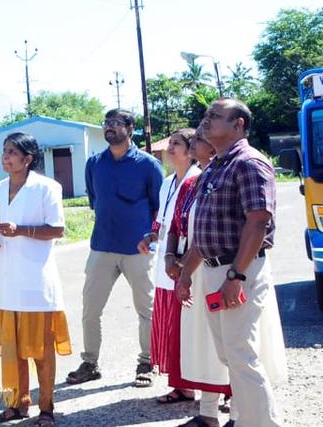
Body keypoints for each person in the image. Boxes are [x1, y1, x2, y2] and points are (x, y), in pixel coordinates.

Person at [177, 99, 288, 427]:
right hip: (214, 271)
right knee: (229, 354)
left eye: (215, 116)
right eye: (207, 115)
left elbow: (257, 222)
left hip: (239, 269)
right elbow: (204, 231)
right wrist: (186, 274)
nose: (206, 121)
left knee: (240, 355)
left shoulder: (249, 163)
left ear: (238, 124)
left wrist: (236, 275)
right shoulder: (215, 165)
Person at [66, 108, 164, 388]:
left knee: (146, 309)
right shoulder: (94, 163)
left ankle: (147, 362)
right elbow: (96, 200)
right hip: (102, 247)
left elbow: (159, 208)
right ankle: (90, 363)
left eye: (115, 123)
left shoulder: (147, 165)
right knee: (90, 309)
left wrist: (152, 237)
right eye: (106, 123)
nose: (109, 128)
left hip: (139, 250)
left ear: (129, 128)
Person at [0, 132, 70, 426]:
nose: (5, 157)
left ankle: (47, 409)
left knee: (41, 352)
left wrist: (21, 230)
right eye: (3, 152)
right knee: (12, 350)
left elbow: (57, 229)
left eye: (11, 152)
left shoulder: (47, 188)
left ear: (28, 159)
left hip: (35, 282)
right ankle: (16, 405)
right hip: (5, 282)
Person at [161, 129, 233, 427]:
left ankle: (239, 412)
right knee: (201, 341)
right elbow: (176, 226)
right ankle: (207, 413)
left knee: (227, 342)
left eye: (197, 141)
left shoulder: (225, 176)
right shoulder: (192, 183)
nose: (195, 146)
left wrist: (187, 265)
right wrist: (170, 258)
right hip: (192, 271)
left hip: (216, 269)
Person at [136, 128, 200, 403]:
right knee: (173, 325)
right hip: (167, 259)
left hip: (190, 260)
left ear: (192, 150)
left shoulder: (198, 179)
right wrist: (151, 236)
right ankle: (182, 385)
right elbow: (162, 221)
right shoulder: (167, 182)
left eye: (177, 144)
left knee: (193, 327)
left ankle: (216, 386)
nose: (170, 148)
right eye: (169, 143)